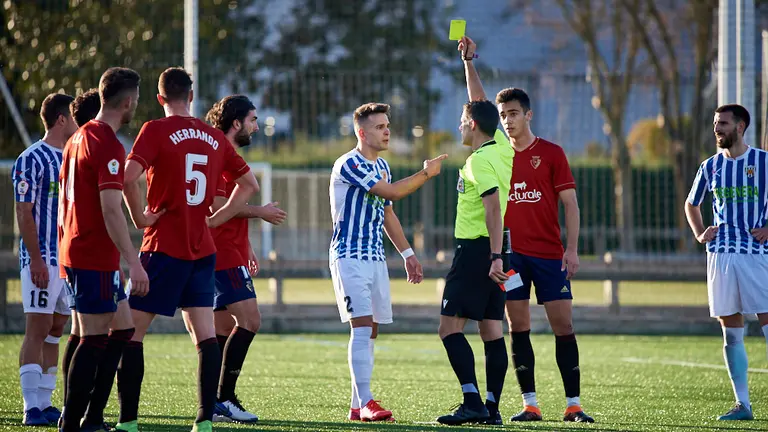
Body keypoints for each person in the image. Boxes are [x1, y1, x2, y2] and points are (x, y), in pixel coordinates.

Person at [458, 36, 593, 423]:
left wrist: (572, 249)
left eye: (514, 113)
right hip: (512, 255)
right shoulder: (497, 151)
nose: (507, 120)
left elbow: (570, 204)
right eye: (503, 115)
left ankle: (574, 404)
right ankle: (530, 403)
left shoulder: (551, 153)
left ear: (528, 115)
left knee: (563, 324)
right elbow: (479, 104)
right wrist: (469, 63)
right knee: (518, 324)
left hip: (550, 254)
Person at [118, 67, 259, 432]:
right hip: (203, 250)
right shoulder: (212, 136)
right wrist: (219, 217)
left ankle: (129, 422)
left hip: (164, 247)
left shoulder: (154, 130)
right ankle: (204, 421)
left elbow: (128, 177)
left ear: (160, 98)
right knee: (206, 336)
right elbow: (249, 184)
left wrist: (141, 216)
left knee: (131, 334)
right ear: (192, 97)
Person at [329, 102, 446, 422]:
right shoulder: (348, 164)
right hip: (349, 257)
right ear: (361, 132)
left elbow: (387, 213)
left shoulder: (383, 167)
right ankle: (367, 401)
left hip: (375, 259)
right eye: (380, 127)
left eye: (387, 126)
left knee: (372, 330)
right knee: (362, 326)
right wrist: (426, 173)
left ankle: (357, 406)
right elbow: (392, 194)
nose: (387, 131)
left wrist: (408, 255)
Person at [58, 67, 152, 432]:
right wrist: (134, 262)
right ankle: (74, 423)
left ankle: (89, 416)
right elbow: (111, 208)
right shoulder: (107, 143)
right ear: (128, 101)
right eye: (136, 101)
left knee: (116, 330)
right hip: (92, 255)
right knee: (92, 337)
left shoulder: (77, 137)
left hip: (78, 251)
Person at [205, 94, 287, 423]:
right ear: (236, 122)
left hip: (230, 252)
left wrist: (247, 247)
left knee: (224, 329)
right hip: (220, 255)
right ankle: (224, 397)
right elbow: (216, 209)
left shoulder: (230, 156)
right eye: (252, 120)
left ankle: (215, 400)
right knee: (251, 321)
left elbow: (230, 213)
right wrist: (261, 212)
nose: (256, 126)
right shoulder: (217, 159)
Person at [685, 104, 768, 421]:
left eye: (723, 123)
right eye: (715, 123)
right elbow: (692, 204)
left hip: (756, 255)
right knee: (730, 330)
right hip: (720, 255)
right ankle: (742, 404)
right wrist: (699, 233)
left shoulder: (762, 162)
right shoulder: (710, 166)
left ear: (741, 126)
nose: (717, 128)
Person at [436, 100, 514, 426]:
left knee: (448, 329)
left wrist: (494, 257)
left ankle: (472, 401)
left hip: (476, 253)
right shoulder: (504, 149)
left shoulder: (478, 161)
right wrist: (468, 63)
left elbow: (492, 209)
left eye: (461, 120)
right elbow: (483, 104)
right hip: (499, 248)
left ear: (472, 125)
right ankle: (491, 408)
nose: (459, 126)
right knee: (492, 329)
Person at [13, 93, 77, 426]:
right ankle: (30, 407)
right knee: (37, 328)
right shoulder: (32, 158)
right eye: (74, 115)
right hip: (43, 260)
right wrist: (36, 260)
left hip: (67, 261)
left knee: (56, 330)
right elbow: (24, 212)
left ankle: (46, 402)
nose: (79, 121)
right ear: (61, 119)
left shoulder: (72, 156)